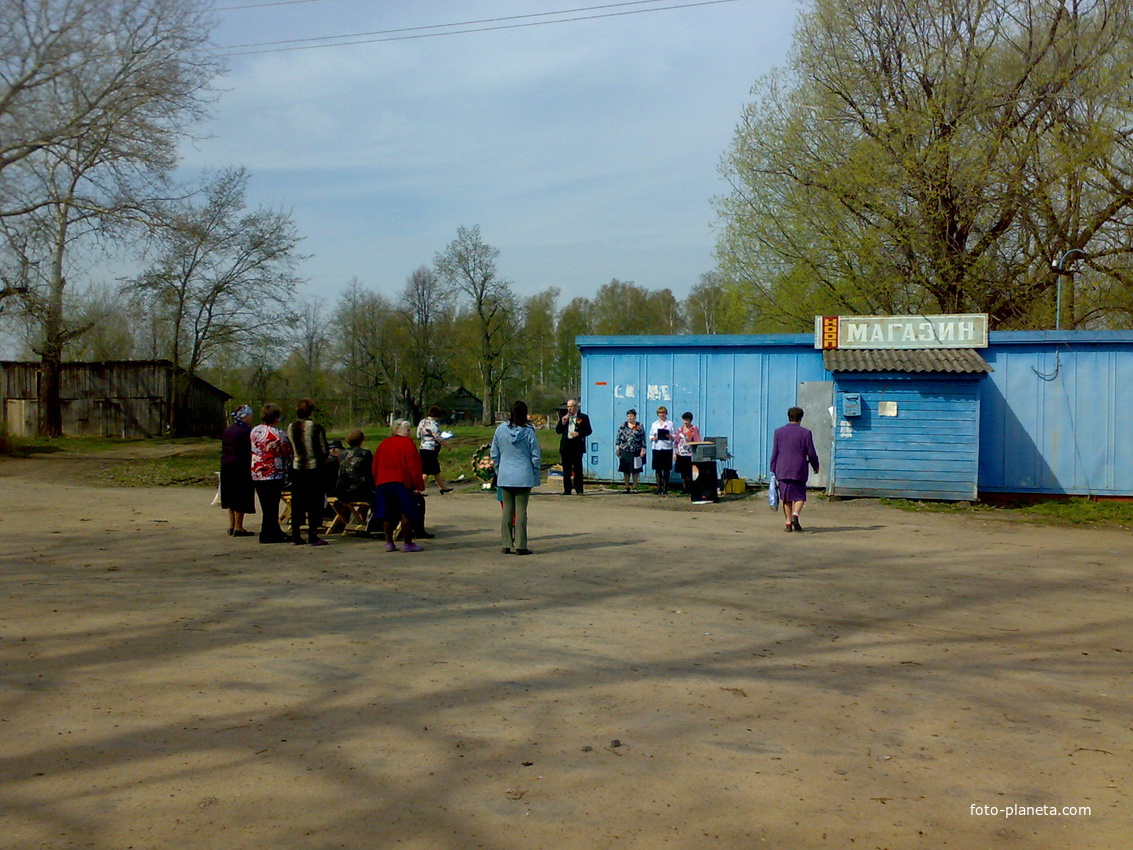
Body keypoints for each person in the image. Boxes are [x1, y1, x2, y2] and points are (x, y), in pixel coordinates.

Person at [491, 400, 541, 555]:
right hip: (524, 475)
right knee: (521, 511)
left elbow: (494, 452)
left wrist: (499, 468)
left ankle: (506, 543)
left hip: (505, 474)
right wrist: (535, 470)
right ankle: (520, 545)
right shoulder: (529, 432)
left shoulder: (500, 430)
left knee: (507, 510)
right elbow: (536, 455)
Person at [372, 420, 426, 552]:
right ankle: (408, 543)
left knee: (388, 513)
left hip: (383, 482)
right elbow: (414, 466)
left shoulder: (383, 444)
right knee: (407, 512)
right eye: (408, 430)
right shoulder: (407, 444)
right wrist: (417, 485)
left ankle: (389, 542)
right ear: (399, 430)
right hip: (402, 482)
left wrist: (376, 480)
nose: (410, 433)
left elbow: (375, 465)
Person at [287, 397, 330, 546]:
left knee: (297, 501)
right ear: (311, 411)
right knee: (314, 501)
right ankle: (313, 534)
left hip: (297, 466)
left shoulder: (291, 426)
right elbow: (324, 449)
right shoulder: (316, 427)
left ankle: (296, 534)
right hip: (314, 467)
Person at [770, 406, 820, 532]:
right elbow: (811, 452)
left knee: (786, 497)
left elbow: (775, 452)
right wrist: (816, 466)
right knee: (800, 496)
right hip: (799, 468)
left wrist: (772, 468)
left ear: (789, 417)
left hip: (782, 468)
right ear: (801, 418)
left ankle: (788, 524)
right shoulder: (806, 433)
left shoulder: (778, 432)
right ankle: (795, 515)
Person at [249, 403, 292, 544]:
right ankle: (268, 533)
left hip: (257, 471)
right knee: (272, 505)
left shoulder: (255, 431)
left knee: (265, 504)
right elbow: (286, 452)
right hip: (273, 471)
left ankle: (271, 530)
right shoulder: (278, 433)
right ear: (275, 417)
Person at [220, 404, 256, 536]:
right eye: (250, 415)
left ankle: (232, 525)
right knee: (241, 496)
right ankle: (239, 527)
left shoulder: (229, 429)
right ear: (245, 416)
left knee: (230, 495)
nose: (251, 418)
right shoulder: (246, 432)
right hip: (240, 465)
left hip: (226, 465)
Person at [555, 398, 592, 495]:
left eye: (571, 407)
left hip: (577, 446)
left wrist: (579, 433)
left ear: (576, 407)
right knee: (566, 469)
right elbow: (558, 431)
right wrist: (562, 422)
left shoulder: (583, 417)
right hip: (566, 446)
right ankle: (567, 489)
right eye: (568, 407)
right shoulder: (564, 417)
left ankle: (579, 489)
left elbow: (588, 430)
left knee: (578, 469)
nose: (569, 409)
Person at [417, 405, 452, 493]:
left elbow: (418, 435)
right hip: (431, 449)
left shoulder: (422, 422)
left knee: (435, 469)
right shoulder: (434, 424)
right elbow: (438, 438)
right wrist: (447, 445)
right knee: (426, 471)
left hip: (423, 447)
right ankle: (419, 490)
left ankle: (443, 487)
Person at [335, 430, 373, 503]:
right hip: (359, 492)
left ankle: (357, 514)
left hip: (342, 492)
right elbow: (369, 473)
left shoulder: (341, 454)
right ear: (361, 440)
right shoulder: (365, 453)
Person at [614, 408, 647, 493]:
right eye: (628, 416)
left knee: (636, 470)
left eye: (631, 416)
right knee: (626, 469)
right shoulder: (623, 425)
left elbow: (643, 438)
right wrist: (617, 448)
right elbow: (618, 437)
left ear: (635, 417)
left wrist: (643, 449)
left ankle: (635, 487)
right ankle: (627, 487)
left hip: (636, 450)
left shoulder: (639, 426)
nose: (629, 418)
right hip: (625, 449)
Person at [672, 411, 702, 495]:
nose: (686, 422)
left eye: (687, 420)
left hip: (690, 454)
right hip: (681, 453)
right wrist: (675, 453)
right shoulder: (680, 429)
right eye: (684, 420)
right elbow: (676, 442)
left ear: (690, 420)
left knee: (690, 472)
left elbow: (697, 440)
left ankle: (691, 488)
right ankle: (684, 488)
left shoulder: (694, 429)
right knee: (683, 472)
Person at [648, 406, 675, 495]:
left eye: (663, 413)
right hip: (657, 447)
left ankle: (665, 488)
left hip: (667, 448)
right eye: (660, 413)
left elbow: (674, 435)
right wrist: (653, 438)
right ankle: (658, 487)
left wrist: (670, 437)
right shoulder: (654, 424)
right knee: (658, 469)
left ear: (666, 414)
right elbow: (650, 435)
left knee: (666, 469)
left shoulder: (670, 423)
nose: (661, 415)